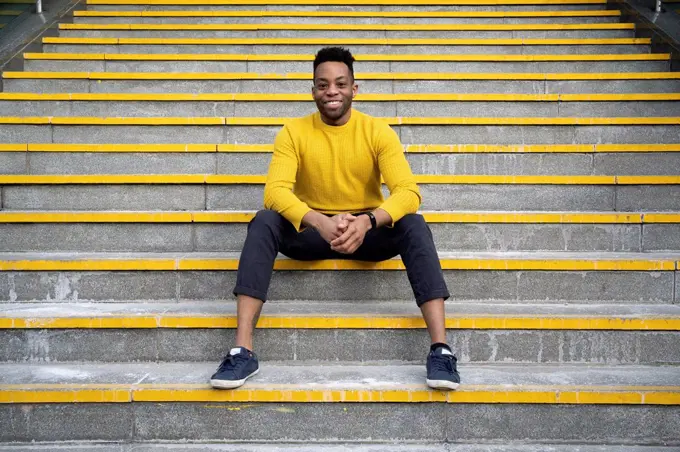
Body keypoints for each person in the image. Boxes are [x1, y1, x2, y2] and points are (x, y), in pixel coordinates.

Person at [210, 47, 460, 391]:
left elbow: (408, 192)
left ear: (354, 89)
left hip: (367, 232)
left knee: (413, 223)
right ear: (312, 89)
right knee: (265, 219)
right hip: (313, 233)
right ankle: (242, 350)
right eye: (322, 84)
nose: (331, 91)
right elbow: (275, 191)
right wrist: (318, 220)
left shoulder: (377, 131)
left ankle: (441, 350)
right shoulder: (293, 132)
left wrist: (368, 221)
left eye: (340, 84)